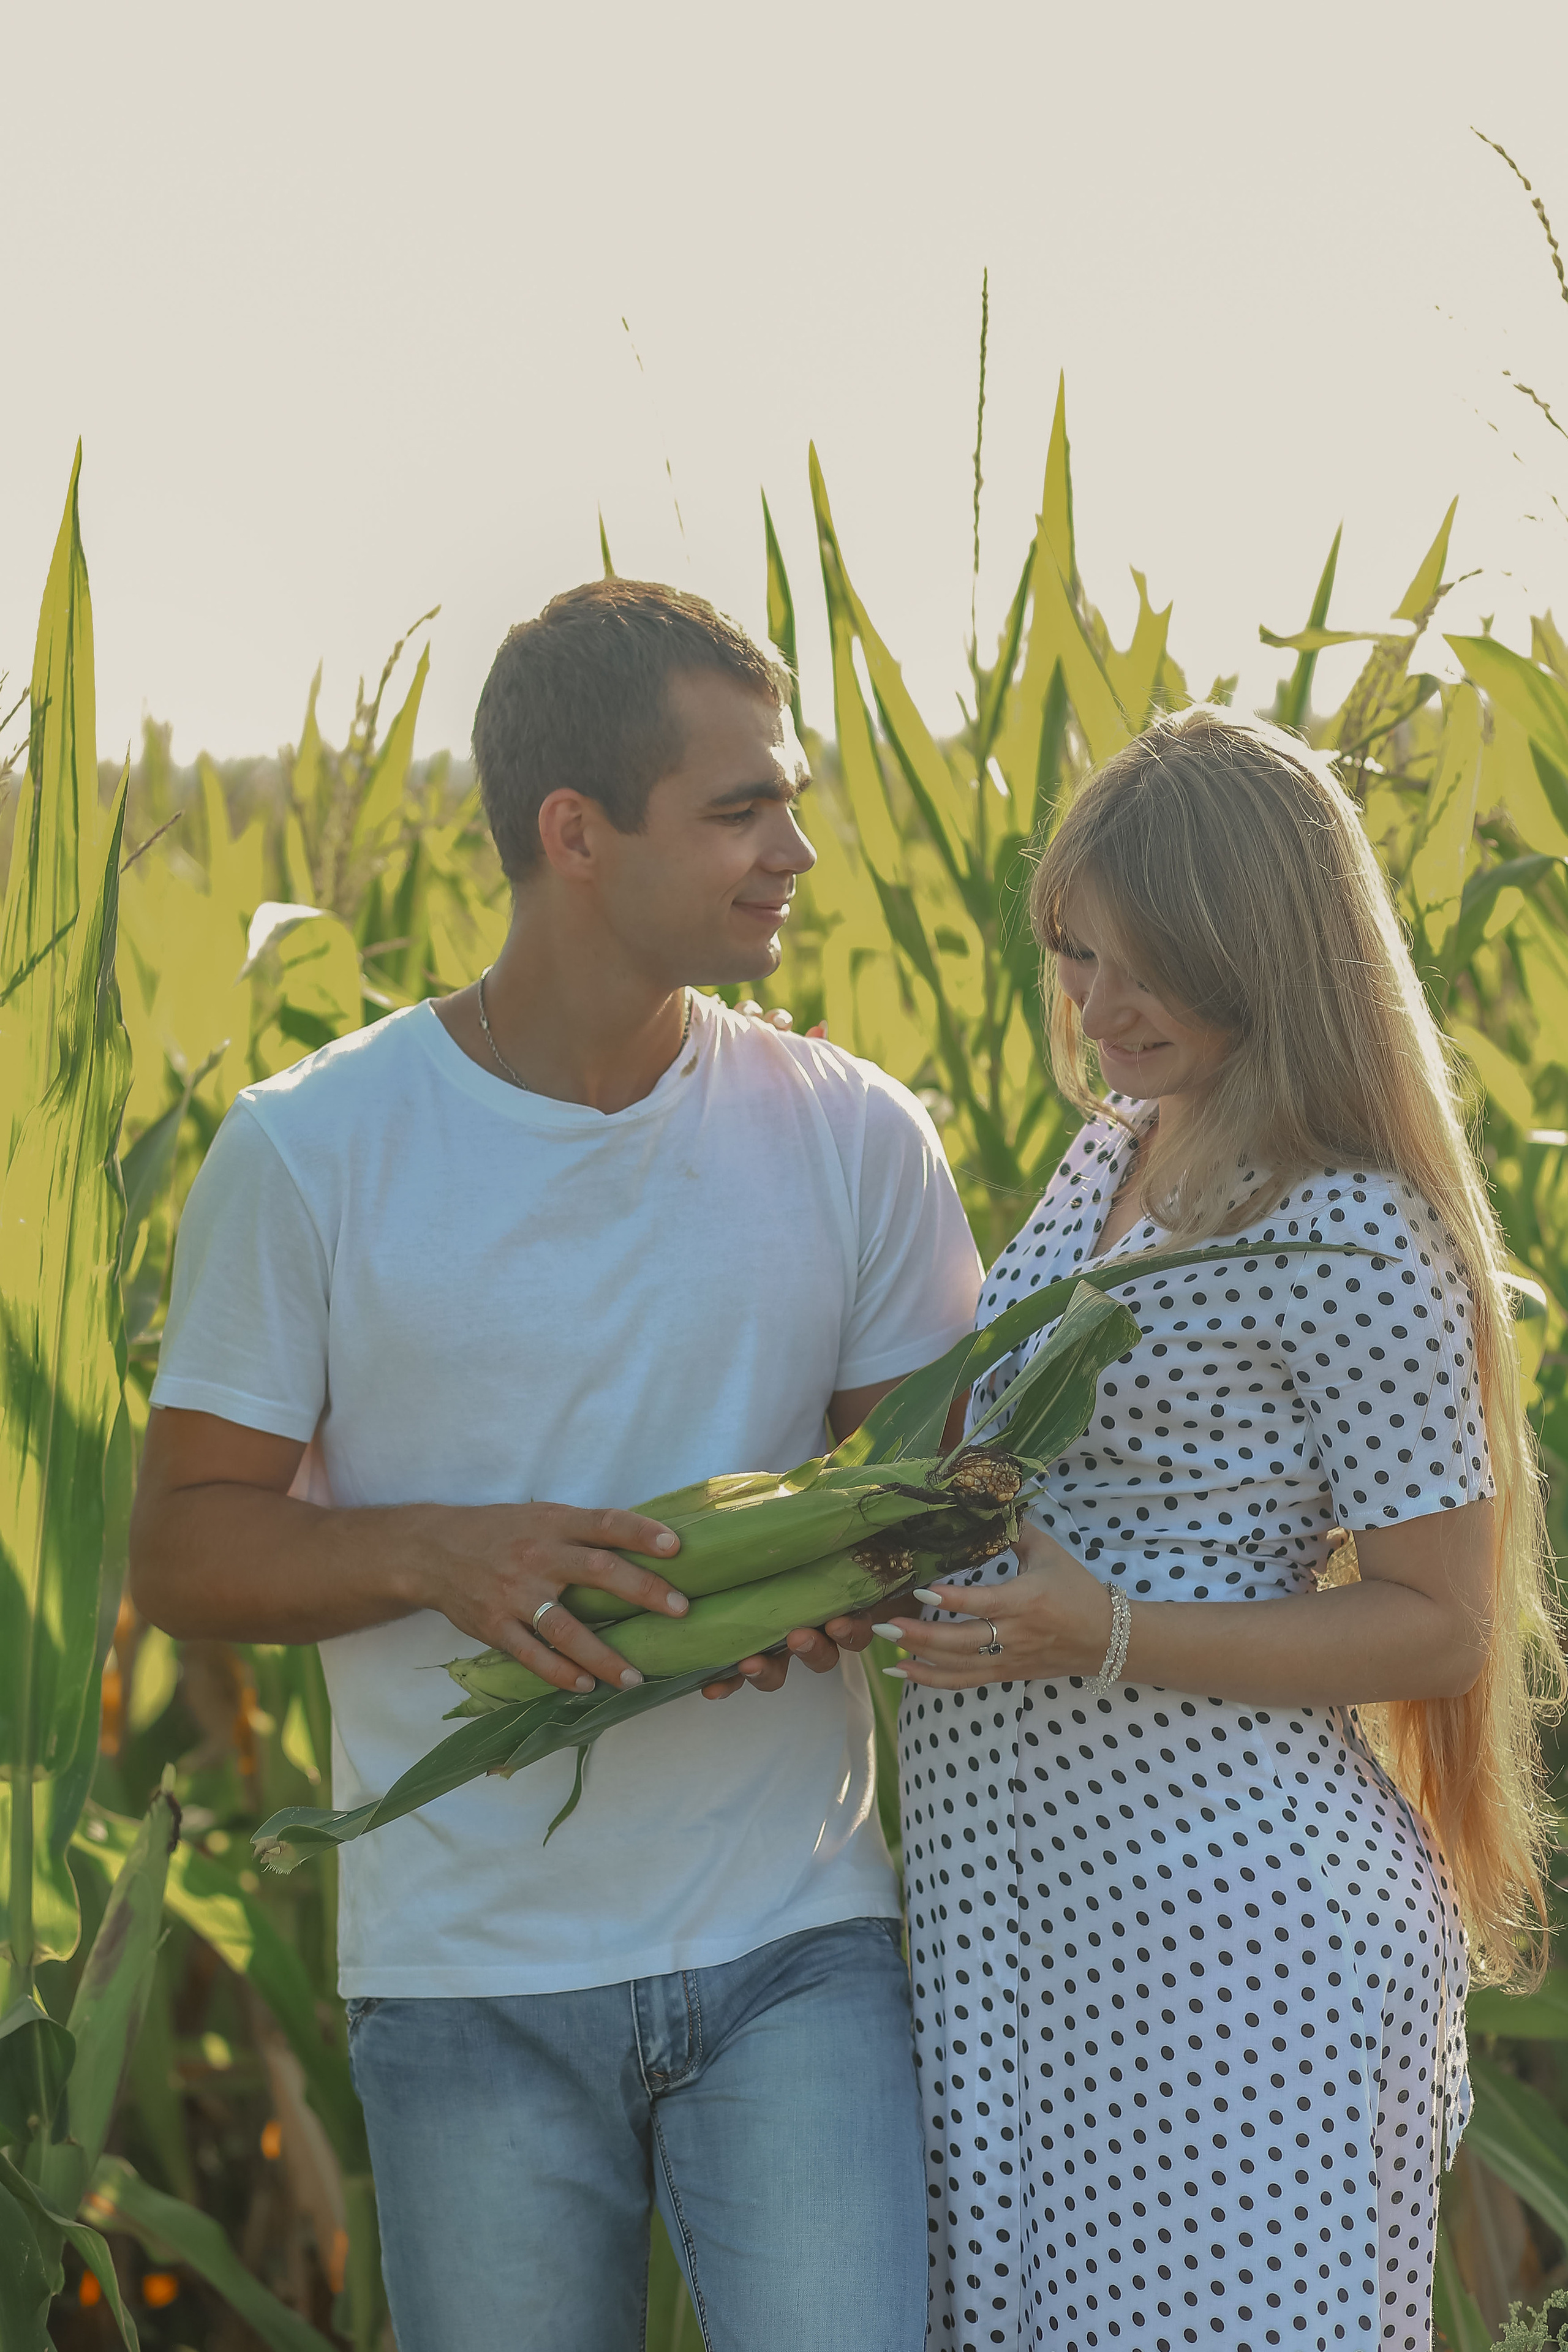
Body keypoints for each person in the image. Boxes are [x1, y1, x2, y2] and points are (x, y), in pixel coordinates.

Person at [129, 579, 984, 2352]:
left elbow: (940, 1509)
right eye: (742, 807)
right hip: (469, 1982)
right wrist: (446, 1554)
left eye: (792, 799)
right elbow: (187, 1554)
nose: (796, 850)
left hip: (800, 1953)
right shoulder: (313, 1153)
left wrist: (830, 1595)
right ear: (573, 832)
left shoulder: (855, 1137)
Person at [854, 706, 1561, 2352]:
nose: (1099, 1010)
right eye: (1077, 957)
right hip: (1033, 1912)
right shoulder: (1117, 1150)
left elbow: (1441, 1621)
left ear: (1261, 954)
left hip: (1228, 1925)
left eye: (1143, 968)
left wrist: (1101, 1633)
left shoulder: (1352, 1229)